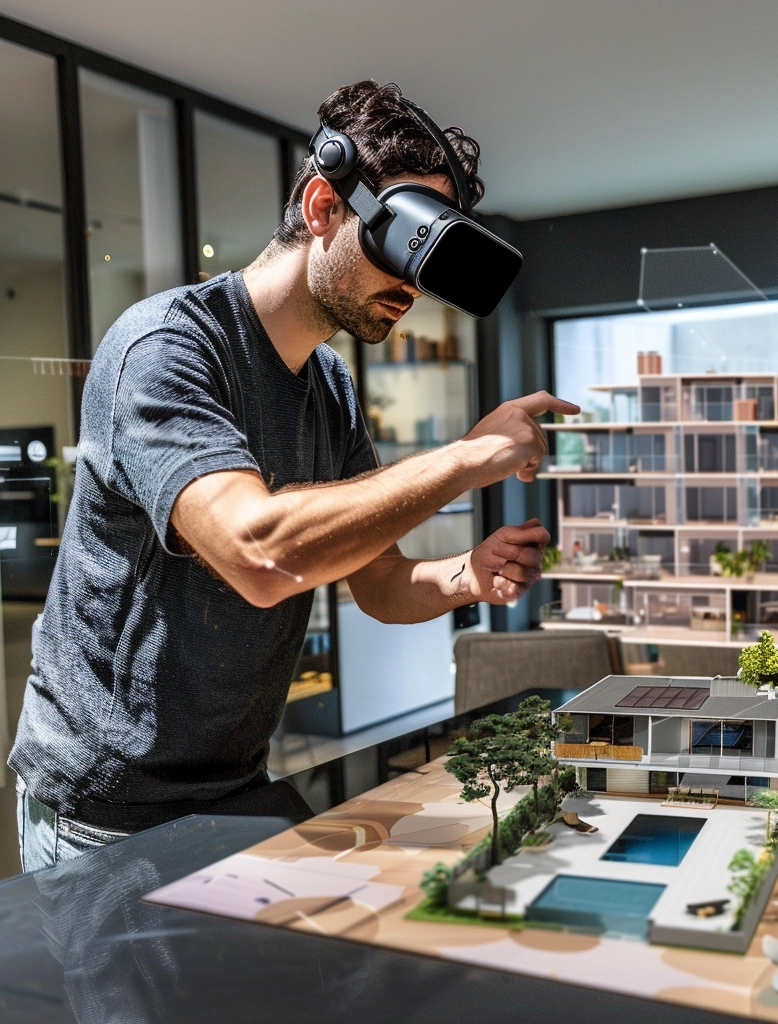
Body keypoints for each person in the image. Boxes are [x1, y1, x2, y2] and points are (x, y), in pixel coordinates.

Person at [10, 80, 578, 871]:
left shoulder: (330, 386)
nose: (413, 285)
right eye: (404, 240)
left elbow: (376, 583)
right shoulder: (166, 348)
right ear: (322, 208)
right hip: (109, 802)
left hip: (234, 779)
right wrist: (464, 456)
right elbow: (260, 554)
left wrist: (465, 574)